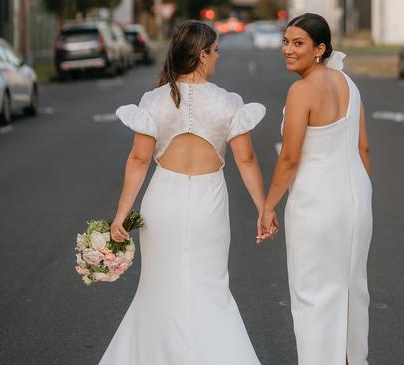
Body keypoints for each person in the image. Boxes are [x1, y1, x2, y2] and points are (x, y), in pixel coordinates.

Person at [100, 20, 266, 365]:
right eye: (215, 50)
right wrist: (264, 208)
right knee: (211, 287)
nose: (218, 56)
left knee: (158, 287)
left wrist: (121, 213)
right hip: (209, 201)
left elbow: (139, 159)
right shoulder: (228, 102)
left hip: (164, 199)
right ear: (202, 55)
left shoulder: (154, 100)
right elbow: (246, 160)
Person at [259, 13, 373, 365]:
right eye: (286, 42)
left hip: (317, 200)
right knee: (352, 290)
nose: (288, 50)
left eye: (298, 44)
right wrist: (362, 195)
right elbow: (363, 148)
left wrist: (268, 206)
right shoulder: (348, 84)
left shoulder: (302, 90)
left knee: (313, 294)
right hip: (355, 196)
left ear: (320, 49)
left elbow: (290, 158)